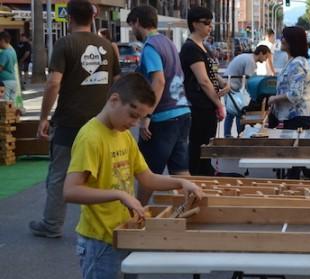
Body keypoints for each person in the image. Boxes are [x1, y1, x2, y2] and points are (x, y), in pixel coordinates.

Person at [64, 73, 204, 279]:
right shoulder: (91, 137)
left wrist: (180, 182)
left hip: (126, 233)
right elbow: (70, 191)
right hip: (101, 241)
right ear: (114, 100)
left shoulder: (124, 136)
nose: (134, 123)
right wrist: (120, 194)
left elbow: (147, 178)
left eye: (141, 118)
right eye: (132, 114)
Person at [29, 0, 121, 238]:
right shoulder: (108, 47)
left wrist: (43, 118)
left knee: (60, 174)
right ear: (93, 16)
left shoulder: (64, 44)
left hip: (69, 122)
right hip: (101, 122)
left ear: (68, 17)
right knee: (103, 175)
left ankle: (52, 224)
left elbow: (53, 83)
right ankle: (107, 224)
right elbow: (118, 83)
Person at [127, 5, 192, 204]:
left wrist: (146, 115)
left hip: (163, 116)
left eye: (132, 26)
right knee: (180, 171)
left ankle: (136, 215)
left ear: (137, 22)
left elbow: (159, 80)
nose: (132, 31)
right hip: (182, 112)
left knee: (148, 171)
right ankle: (192, 210)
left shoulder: (150, 47)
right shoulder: (168, 42)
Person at [180, 7, 228, 176]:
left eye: (211, 23)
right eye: (206, 23)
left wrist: (223, 83)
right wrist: (218, 104)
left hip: (207, 104)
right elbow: (203, 80)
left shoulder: (203, 47)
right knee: (199, 146)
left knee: (207, 145)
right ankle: (198, 180)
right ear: (194, 24)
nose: (210, 26)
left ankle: (205, 176)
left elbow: (211, 73)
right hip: (199, 105)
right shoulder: (191, 48)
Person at [267, 26, 310, 179]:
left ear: (291, 42)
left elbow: (295, 94)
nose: (281, 40)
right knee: (294, 158)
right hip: (293, 116)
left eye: (284, 37)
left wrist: (274, 99)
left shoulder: (297, 63)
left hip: (298, 116)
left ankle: (292, 190)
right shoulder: (294, 61)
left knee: (295, 158)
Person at [223, 45, 271, 137]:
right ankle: (238, 135)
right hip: (232, 86)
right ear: (261, 53)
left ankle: (229, 134)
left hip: (229, 85)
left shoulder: (247, 57)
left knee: (232, 113)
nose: (265, 60)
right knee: (239, 112)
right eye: (266, 57)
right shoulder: (251, 61)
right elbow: (249, 81)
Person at [0, 31, 24, 112]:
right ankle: (12, 119)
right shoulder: (12, 51)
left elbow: (0, 67)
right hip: (13, 81)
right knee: (11, 104)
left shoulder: (4, 53)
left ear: (2, 41)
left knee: (4, 103)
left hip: (5, 82)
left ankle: (7, 120)